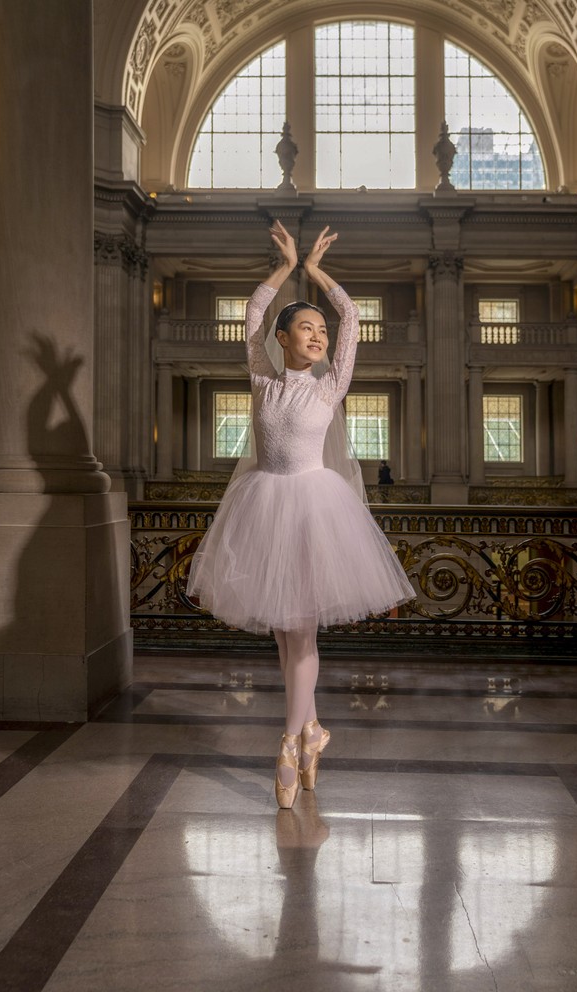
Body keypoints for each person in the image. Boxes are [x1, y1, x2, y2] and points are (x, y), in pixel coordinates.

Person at [187, 221, 415, 809]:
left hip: (316, 508)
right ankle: (313, 730)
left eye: (320, 329)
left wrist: (317, 273)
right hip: (266, 506)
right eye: (305, 328)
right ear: (282, 340)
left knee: (304, 630)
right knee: (287, 637)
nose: (317, 335)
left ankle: (290, 741)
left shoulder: (330, 387)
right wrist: (286, 268)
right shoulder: (263, 382)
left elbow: (354, 320)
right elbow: (253, 309)